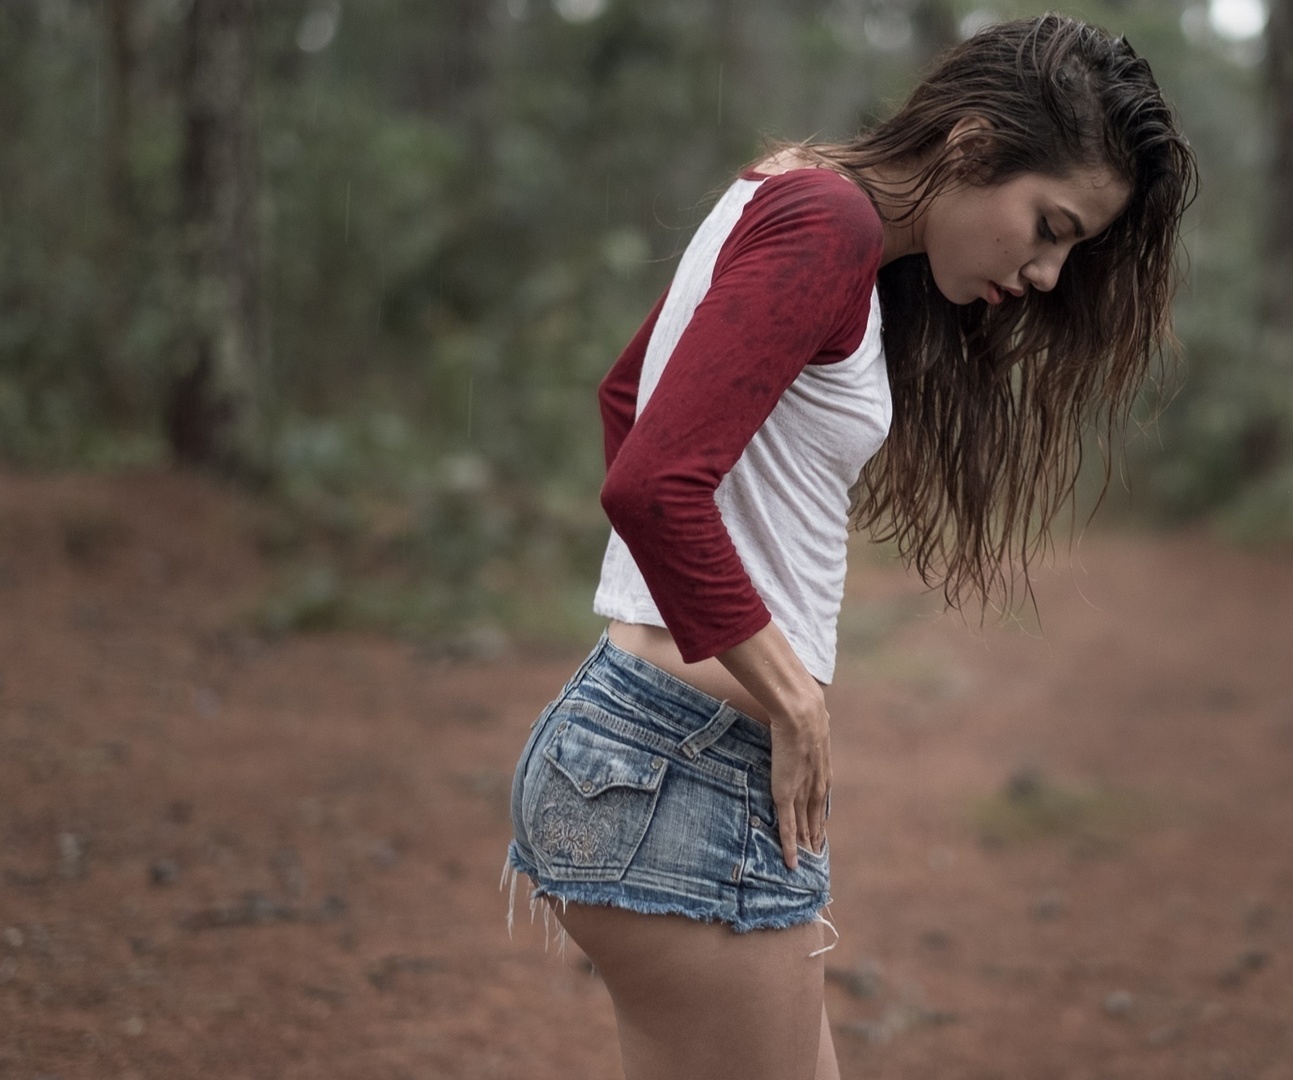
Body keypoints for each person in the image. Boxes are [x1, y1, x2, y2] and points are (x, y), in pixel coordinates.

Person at [503, 14, 1196, 1079]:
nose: (1051, 272)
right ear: (971, 148)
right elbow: (651, 478)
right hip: (679, 772)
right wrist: (790, 693)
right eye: (1048, 225)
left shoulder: (810, 209)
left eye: (1072, 248)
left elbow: (626, 399)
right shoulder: (825, 223)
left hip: (656, 755)